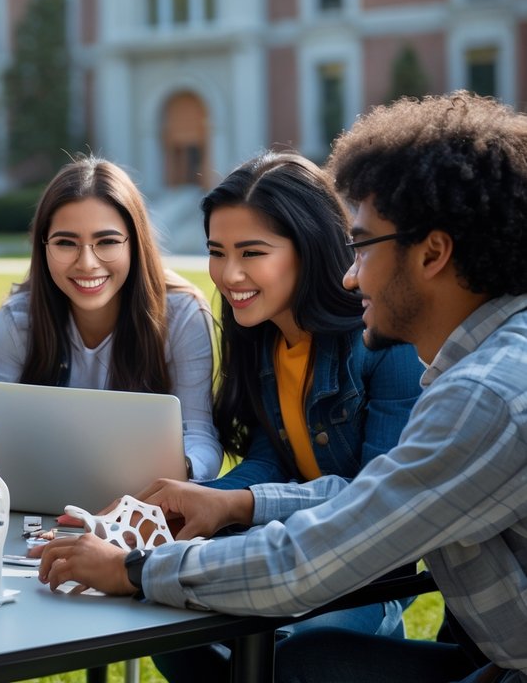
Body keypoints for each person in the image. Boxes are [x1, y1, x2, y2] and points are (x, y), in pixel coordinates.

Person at [34, 92, 527, 682]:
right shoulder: (484, 363)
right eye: (218, 252)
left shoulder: (486, 394)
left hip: (420, 615)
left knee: (289, 659)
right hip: (494, 656)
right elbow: (283, 466)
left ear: (434, 253)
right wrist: (215, 503)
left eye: (363, 245)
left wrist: (136, 569)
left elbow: (320, 550)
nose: (351, 271)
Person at [144, 151, 423, 680]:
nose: (229, 274)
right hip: (285, 546)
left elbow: (378, 498)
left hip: (366, 571)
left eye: (253, 252)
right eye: (216, 251)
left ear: (310, 249)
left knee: (293, 657)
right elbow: (270, 456)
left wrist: (235, 504)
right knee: (166, 619)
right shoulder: (263, 338)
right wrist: (194, 504)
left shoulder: (388, 343)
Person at [0, 155, 222, 481]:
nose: (87, 263)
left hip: (144, 504)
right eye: (66, 243)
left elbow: (200, 434)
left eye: (106, 242)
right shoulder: (16, 321)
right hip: (42, 505)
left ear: (135, 244)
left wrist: (177, 472)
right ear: (43, 246)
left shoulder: (182, 315)